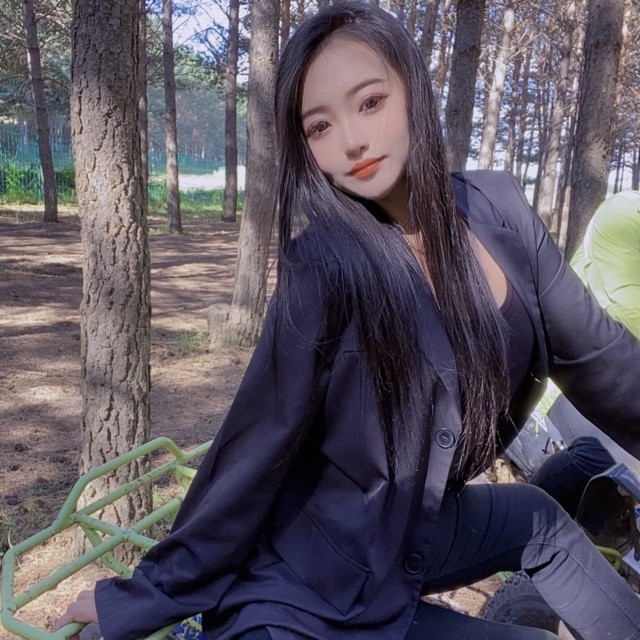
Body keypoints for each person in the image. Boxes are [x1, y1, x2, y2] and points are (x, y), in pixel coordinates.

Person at [54, 4, 640, 640]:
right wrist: (148, 594)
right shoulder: (323, 264)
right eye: (319, 126)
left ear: (412, 89)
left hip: (415, 520)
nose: (352, 141)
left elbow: (603, 362)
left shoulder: (498, 210)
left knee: (541, 518)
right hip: (314, 577)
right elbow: (256, 442)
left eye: (370, 102)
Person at [506, 191, 640, 517]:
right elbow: (627, 310)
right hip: (565, 390)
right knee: (608, 454)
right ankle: (519, 525)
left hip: (617, 391)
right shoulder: (625, 214)